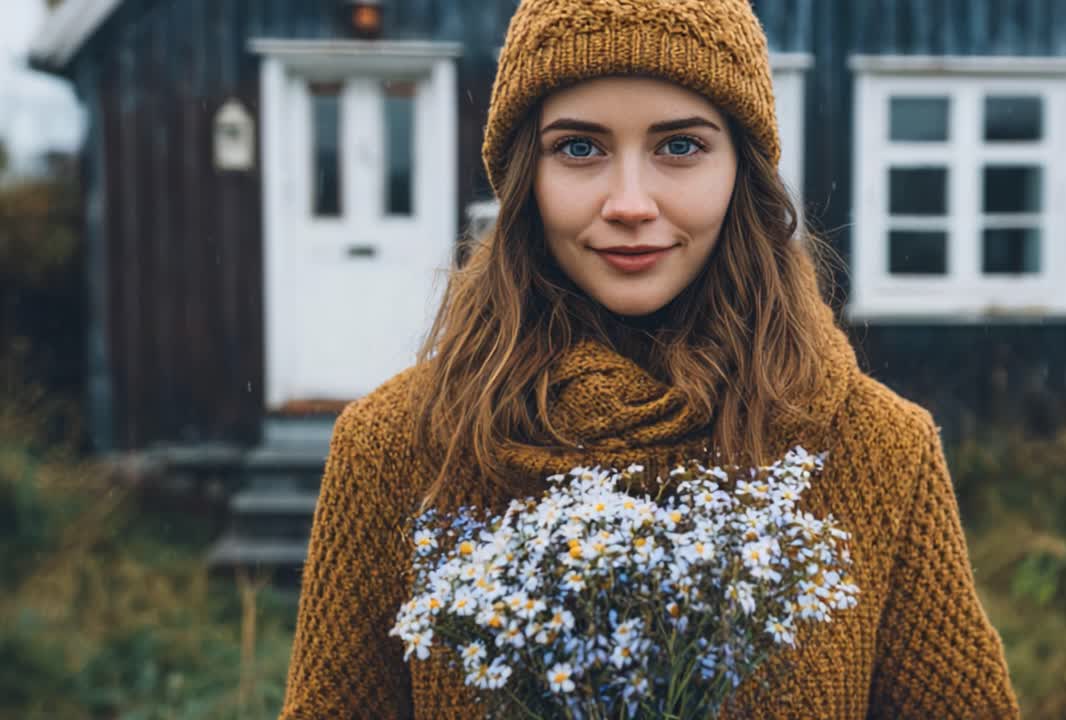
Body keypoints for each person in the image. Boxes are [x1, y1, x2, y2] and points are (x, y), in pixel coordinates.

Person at [278, 0, 1021, 717]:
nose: (629, 201)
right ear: (523, 182)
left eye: (679, 146)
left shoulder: (877, 450)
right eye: (579, 148)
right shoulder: (393, 450)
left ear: (743, 173)